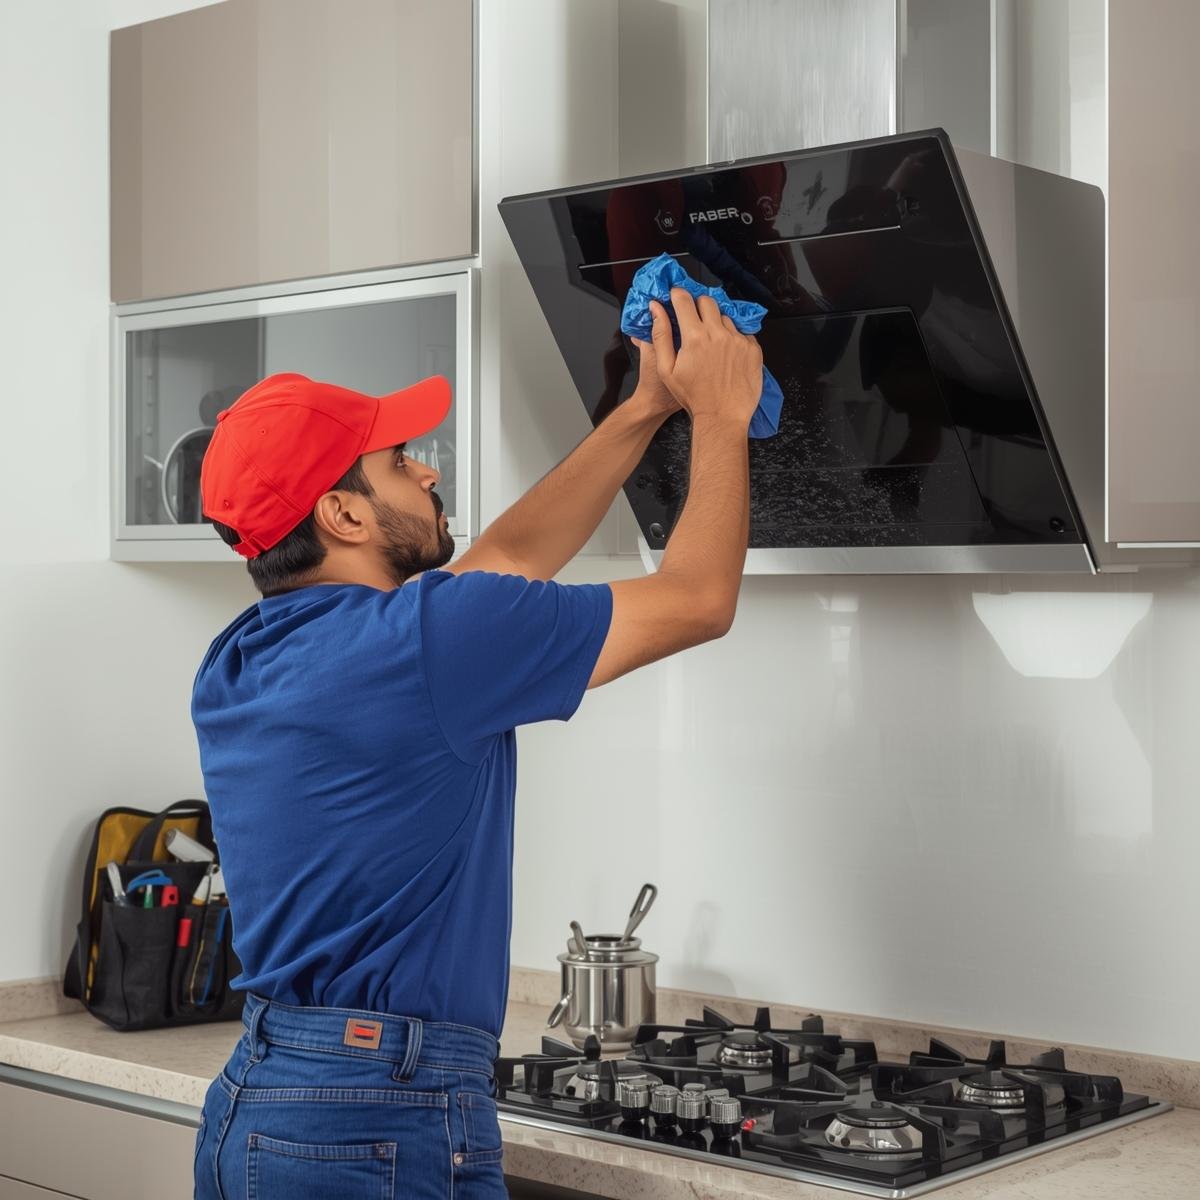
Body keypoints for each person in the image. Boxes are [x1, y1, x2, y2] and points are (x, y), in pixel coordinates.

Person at [190, 289, 763, 1199]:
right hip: (381, 1116)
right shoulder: (428, 638)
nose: (426, 470)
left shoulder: (242, 658)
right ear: (342, 515)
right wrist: (723, 415)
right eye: (397, 461)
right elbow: (698, 599)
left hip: (259, 1108)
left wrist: (648, 405)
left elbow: (507, 558)